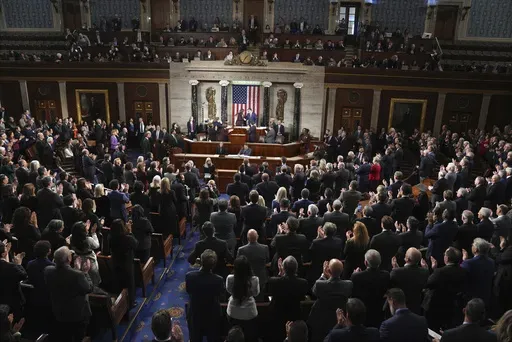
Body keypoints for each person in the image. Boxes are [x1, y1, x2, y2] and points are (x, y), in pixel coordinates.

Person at [44, 246, 93, 342]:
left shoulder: (48, 270)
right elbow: (89, 288)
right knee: (78, 337)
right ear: (69, 259)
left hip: (59, 312)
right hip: (77, 315)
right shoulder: (78, 275)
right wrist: (85, 272)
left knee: (64, 336)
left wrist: (76, 271)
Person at [308, 258, 353, 342]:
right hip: (339, 319)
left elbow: (314, 292)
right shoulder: (348, 285)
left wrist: (323, 275)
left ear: (328, 270)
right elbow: (335, 285)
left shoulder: (320, 284)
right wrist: (330, 277)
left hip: (321, 320)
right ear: (342, 270)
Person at [424, 247, 468, 332]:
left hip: (435, 305)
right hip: (451, 305)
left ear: (446, 258)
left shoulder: (440, 272)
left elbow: (428, 283)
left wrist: (429, 269)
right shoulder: (463, 271)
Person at [186, 249, 225, 342]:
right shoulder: (218, 280)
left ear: (200, 262)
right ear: (214, 265)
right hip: (212, 314)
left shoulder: (190, 276)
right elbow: (221, 296)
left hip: (195, 313)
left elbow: (189, 291)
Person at [267, 256, 309, 341]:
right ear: (296, 269)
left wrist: (279, 274)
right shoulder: (303, 283)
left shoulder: (273, 281)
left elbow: (272, 291)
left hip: (277, 316)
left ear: (283, 268)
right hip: (294, 316)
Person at [350, 250, 390, 328]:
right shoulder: (386, 275)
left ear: (365, 263)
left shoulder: (356, 277)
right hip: (379, 311)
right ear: (380, 262)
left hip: (362, 312)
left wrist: (355, 274)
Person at [226, 256, 260, 342]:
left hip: (233, 312)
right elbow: (256, 293)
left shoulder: (230, 278)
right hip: (249, 313)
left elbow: (229, 290)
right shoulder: (254, 280)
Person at [390, 248, 429, 314]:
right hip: (416, 306)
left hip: (400, 307)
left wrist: (396, 269)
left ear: (407, 259)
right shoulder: (425, 272)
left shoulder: (396, 272)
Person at [109, 219, 139, 308]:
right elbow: (136, 244)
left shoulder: (111, 238)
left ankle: (121, 304)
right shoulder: (127, 238)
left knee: (119, 284)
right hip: (127, 265)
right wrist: (130, 231)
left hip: (116, 264)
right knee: (129, 285)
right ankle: (131, 303)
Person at [461, 238, 495, 308]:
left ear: (476, 249)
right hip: (486, 296)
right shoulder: (491, 261)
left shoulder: (469, 263)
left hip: (471, 299)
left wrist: (464, 260)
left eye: (472, 245)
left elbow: (460, 274)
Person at [0, 241, 27, 321]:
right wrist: (18, 264)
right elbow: (23, 275)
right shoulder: (11, 267)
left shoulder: (9, 266)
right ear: (3, 254)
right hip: (13, 301)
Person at [237, 229, 269, 294]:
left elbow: (238, 263)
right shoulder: (265, 248)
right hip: (261, 278)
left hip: (246, 279)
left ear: (247, 238)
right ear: (257, 237)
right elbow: (267, 260)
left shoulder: (241, 250)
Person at [69, 221, 101, 286]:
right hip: (90, 260)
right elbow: (97, 245)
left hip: (78, 259)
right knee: (93, 280)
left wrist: (86, 229)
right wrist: (93, 233)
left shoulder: (72, 238)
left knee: (81, 279)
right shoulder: (88, 239)